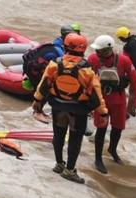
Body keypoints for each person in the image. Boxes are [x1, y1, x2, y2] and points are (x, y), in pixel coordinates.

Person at [32, 33, 108, 184]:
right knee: (75, 139)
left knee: (58, 135)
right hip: (78, 110)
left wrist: (37, 102)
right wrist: (103, 112)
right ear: (83, 49)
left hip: (58, 106)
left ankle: (59, 164)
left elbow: (43, 85)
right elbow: (96, 93)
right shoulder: (86, 70)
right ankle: (70, 170)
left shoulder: (54, 64)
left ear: (65, 47)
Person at [88, 35, 136, 174]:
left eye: (99, 50)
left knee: (118, 128)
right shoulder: (92, 59)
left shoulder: (124, 60)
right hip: (100, 101)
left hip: (118, 100)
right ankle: (98, 159)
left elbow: (135, 81)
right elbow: (86, 79)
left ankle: (112, 150)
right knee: (101, 129)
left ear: (108, 49)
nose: (96, 52)